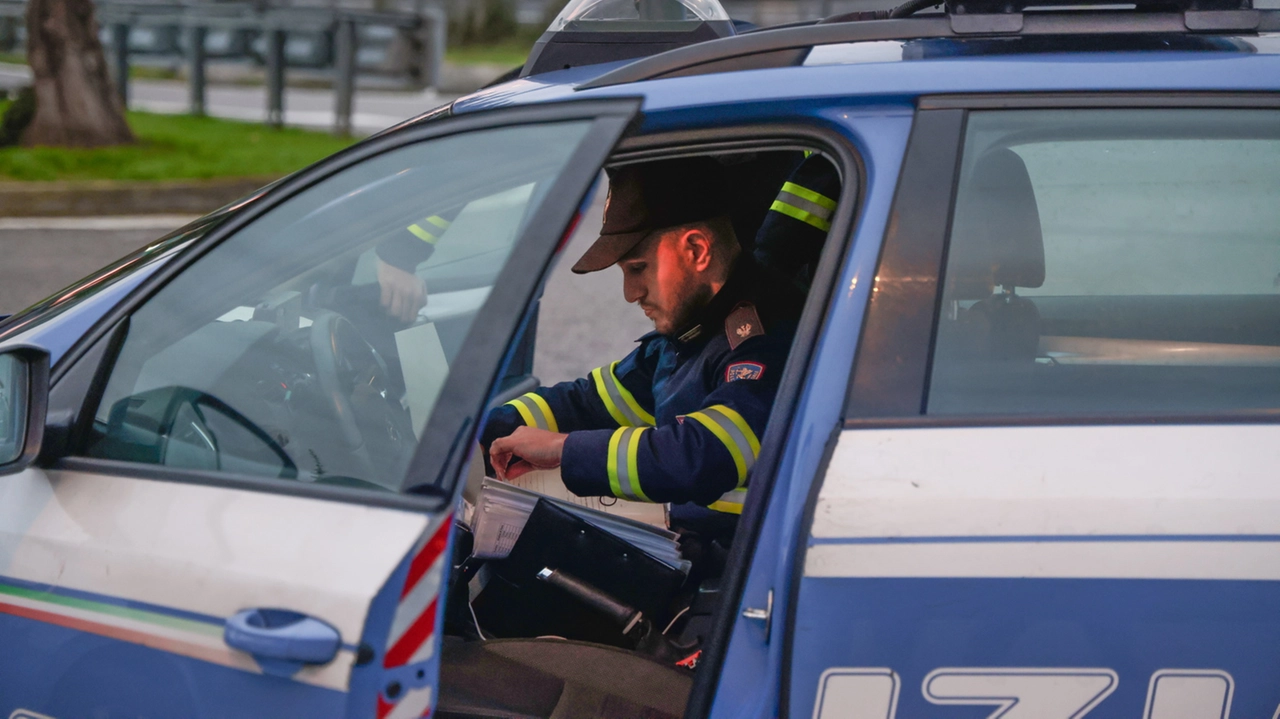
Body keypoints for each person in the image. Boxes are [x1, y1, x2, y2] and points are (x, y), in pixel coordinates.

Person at [479, 156, 805, 536]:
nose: (630, 293)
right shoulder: (692, 332)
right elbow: (588, 402)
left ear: (697, 250)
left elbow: (705, 455)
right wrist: (481, 432)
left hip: (742, 567)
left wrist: (564, 449)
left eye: (638, 269)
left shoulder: (766, 341)